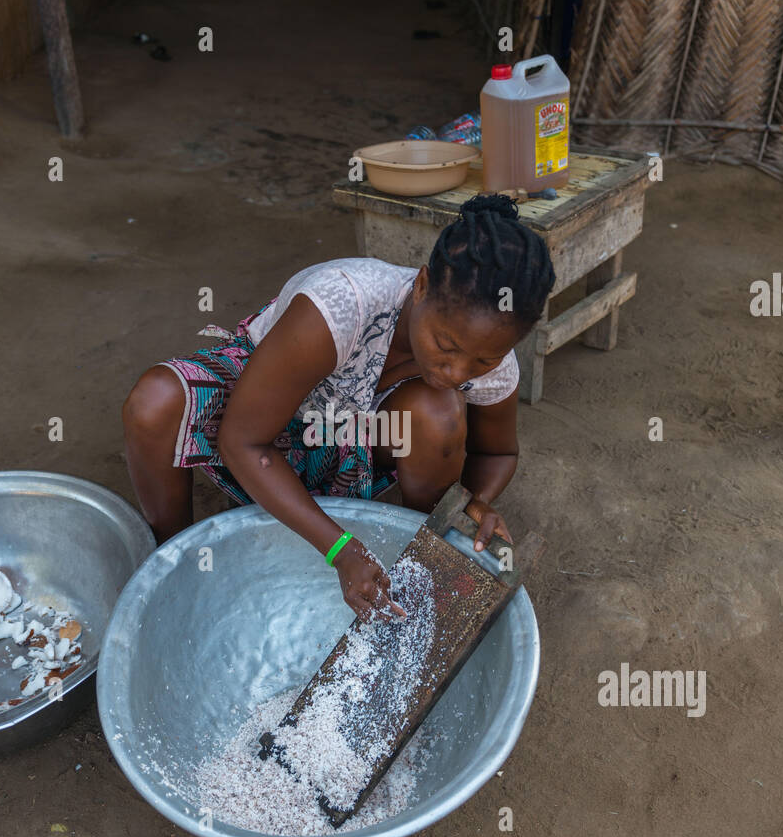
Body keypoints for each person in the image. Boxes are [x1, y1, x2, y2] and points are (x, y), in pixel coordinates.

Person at [123, 194, 555, 621]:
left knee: (438, 410)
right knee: (154, 404)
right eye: (445, 345)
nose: (456, 370)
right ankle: (174, 564)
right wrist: (339, 548)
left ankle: (416, 553)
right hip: (270, 423)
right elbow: (243, 440)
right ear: (421, 285)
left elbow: (497, 452)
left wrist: (475, 501)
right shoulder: (342, 304)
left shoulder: (492, 359)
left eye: (483, 360)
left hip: (353, 444)